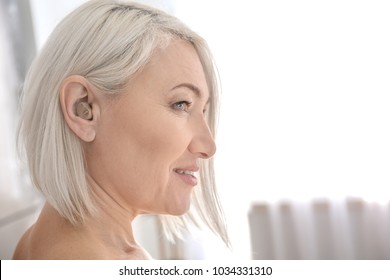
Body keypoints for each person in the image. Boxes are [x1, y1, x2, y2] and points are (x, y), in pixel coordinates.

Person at [13, 0, 228, 259]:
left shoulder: (39, 240)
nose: (208, 146)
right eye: (181, 104)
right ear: (84, 109)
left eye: (203, 110)